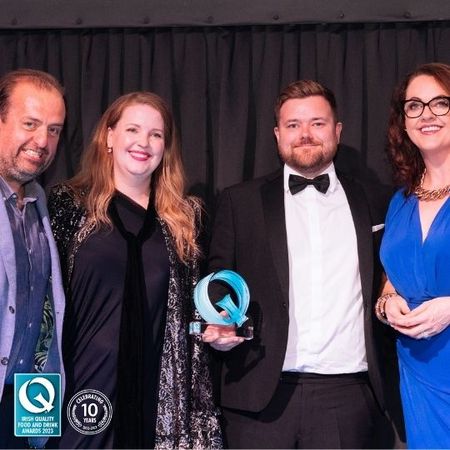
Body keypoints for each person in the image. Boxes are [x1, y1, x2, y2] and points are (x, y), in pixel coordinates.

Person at [205, 79, 402, 448]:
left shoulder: (378, 201)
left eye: (317, 123)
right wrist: (220, 326)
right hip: (257, 396)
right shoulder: (239, 202)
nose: (305, 134)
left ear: (337, 130)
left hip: (348, 396)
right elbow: (218, 282)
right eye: (293, 125)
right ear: (278, 134)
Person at [47, 91, 222, 449]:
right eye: (132, 130)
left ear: (165, 147)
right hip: (81, 390)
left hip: (158, 400)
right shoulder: (69, 204)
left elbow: (196, 309)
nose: (143, 142)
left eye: (156, 134)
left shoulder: (184, 220)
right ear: (109, 136)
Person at [377, 62, 450, 448]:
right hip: (416, 369)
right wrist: (387, 301)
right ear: (403, 122)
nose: (427, 114)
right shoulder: (399, 201)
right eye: (414, 105)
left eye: (441, 103)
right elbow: (394, 275)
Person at [0, 69, 66, 449]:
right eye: (30, 123)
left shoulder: (38, 201)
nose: (42, 141)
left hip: (26, 405)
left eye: (54, 129)